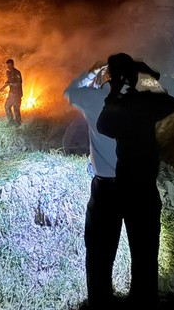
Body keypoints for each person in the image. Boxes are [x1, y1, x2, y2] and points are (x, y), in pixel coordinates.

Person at [96, 53, 174, 307]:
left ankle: (107, 297)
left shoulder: (123, 103)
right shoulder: (146, 101)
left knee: (115, 248)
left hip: (126, 185)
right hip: (145, 187)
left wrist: (115, 92)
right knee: (146, 253)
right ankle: (144, 299)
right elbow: (172, 103)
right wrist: (148, 80)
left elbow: (104, 125)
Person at [62, 59, 120, 307]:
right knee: (143, 248)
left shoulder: (96, 100)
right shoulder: (141, 101)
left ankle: (100, 300)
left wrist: (93, 71)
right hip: (139, 184)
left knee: (99, 249)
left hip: (106, 186)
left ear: (105, 77)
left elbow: (70, 92)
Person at [0, 58, 23, 126]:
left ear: (12, 65)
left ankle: (18, 124)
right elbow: (8, 82)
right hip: (11, 93)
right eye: (7, 66)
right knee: (7, 106)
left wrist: (11, 84)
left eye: (9, 66)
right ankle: (11, 121)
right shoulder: (8, 72)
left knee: (16, 109)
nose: (8, 67)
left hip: (17, 94)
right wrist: (2, 88)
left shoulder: (17, 73)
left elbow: (19, 84)